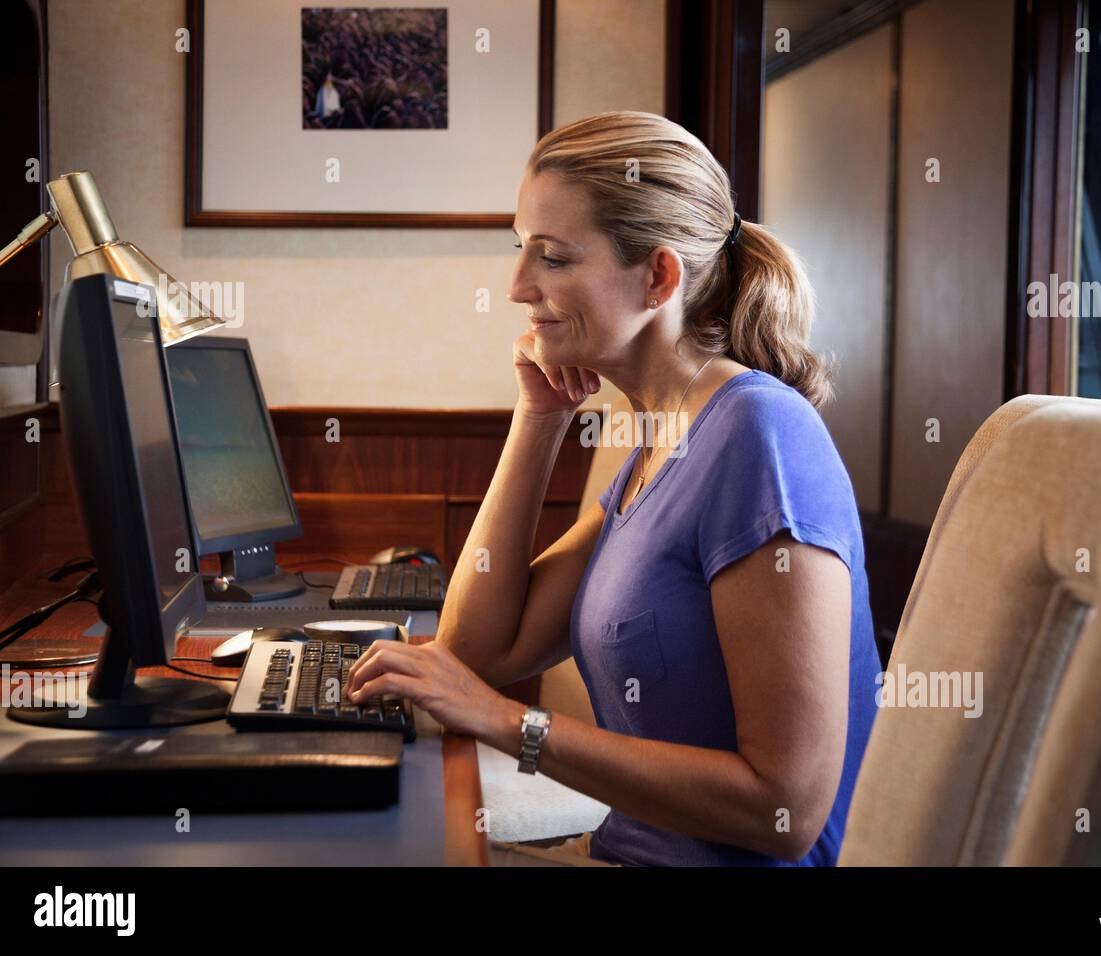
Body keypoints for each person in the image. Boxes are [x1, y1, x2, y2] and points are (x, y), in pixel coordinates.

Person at [346, 110, 878, 866]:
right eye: (520, 249)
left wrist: (509, 725)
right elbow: (477, 653)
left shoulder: (759, 436)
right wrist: (539, 417)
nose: (516, 286)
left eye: (553, 258)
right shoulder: (661, 441)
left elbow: (783, 810)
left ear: (658, 277)